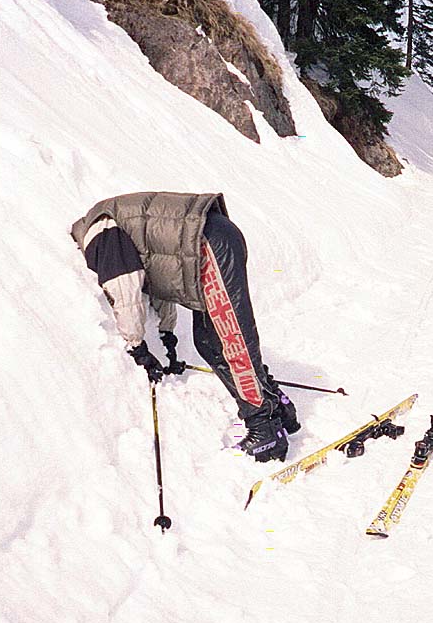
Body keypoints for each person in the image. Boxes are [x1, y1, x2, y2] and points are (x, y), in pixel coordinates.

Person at [71, 191, 299, 463]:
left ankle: (265, 431)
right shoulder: (112, 225)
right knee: (210, 344)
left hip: (207, 243)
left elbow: (124, 285)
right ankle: (278, 408)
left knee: (232, 340)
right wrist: (168, 338)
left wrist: (137, 347)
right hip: (208, 241)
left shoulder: (99, 233)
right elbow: (156, 283)